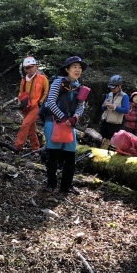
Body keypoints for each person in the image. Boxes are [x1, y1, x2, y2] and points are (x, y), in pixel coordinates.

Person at [43, 56, 88, 195]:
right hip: (54, 122)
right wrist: (63, 117)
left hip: (70, 125)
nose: (78, 70)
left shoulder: (79, 87)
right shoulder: (58, 82)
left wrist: (75, 117)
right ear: (67, 69)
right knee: (53, 155)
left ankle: (66, 185)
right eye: (74, 67)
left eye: (79, 67)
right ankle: (51, 183)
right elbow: (51, 101)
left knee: (70, 155)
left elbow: (81, 105)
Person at [13, 56, 49, 153]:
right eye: (27, 67)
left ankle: (17, 146)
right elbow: (21, 93)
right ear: (24, 69)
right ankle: (35, 147)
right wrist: (20, 103)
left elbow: (46, 92)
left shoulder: (42, 78)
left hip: (36, 106)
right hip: (26, 107)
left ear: (36, 67)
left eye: (32, 67)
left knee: (25, 124)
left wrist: (41, 102)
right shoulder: (24, 80)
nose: (30, 69)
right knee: (31, 128)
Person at [100, 75, 129, 149]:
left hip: (115, 124)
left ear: (119, 86)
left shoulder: (124, 96)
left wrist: (114, 107)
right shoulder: (109, 94)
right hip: (105, 121)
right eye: (111, 87)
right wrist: (105, 106)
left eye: (114, 87)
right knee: (103, 140)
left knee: (113, 143)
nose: (112, 89)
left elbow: (126, 110)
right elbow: (102, 108)